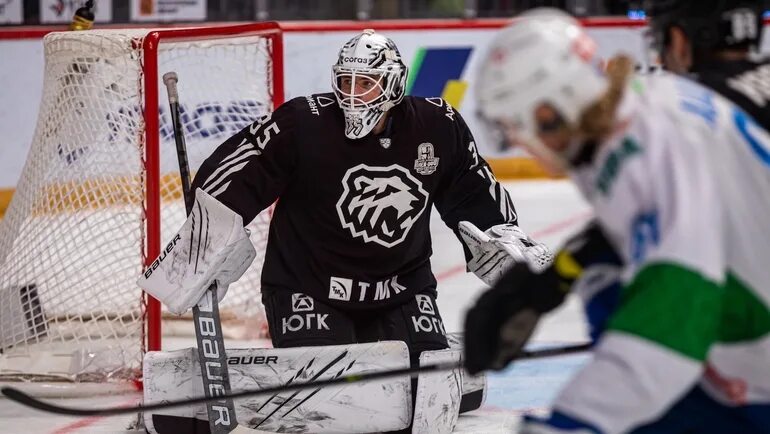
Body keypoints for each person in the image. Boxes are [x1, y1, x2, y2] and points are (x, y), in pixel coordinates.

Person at [144, 28, 549, 424]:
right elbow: (234, 174)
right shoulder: (304, 122)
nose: (353, 93)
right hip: (308, 288)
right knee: (325, 404)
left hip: (402, 289)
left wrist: (501, 233)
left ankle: (441, 359)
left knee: (426, 392)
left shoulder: (436, 125)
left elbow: (470, 186)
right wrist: (212, 229)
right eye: (345, 80)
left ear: (392, 85)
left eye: (366, 82)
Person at [465, 7, 770, 434]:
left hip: (756, 375)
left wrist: (572, 423)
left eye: (517, 128)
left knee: (611, 285)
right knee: (605, 278)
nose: (520, 145)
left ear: (551, 111)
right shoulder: (638, 108)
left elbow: (677, 309)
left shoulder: (648, 147)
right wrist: (542, 286)